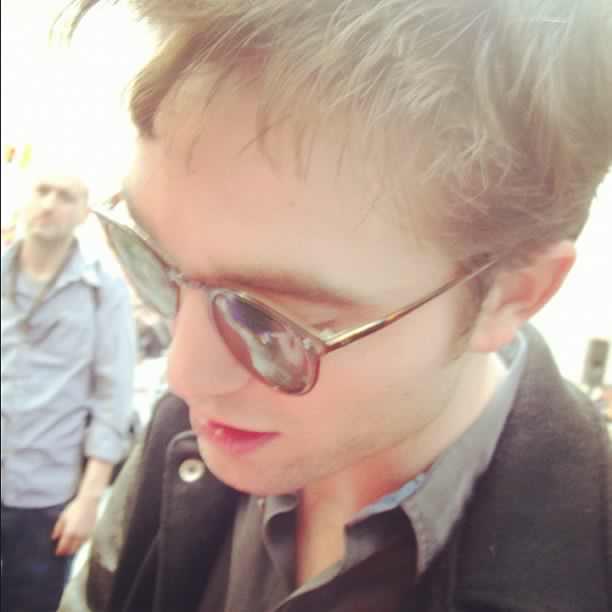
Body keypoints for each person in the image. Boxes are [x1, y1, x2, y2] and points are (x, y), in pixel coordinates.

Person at [60, 2, 611, 611]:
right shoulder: (180, 446)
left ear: (511, 295)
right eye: (148, 257)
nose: (184, 377)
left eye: (273, 323)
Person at [1, 167, 137, 612]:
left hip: (45, 500)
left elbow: (113, 399)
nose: (49, 204)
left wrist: (89, 499)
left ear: (83, 213)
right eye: (42, 191)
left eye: (66, 196)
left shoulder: (104, 292)